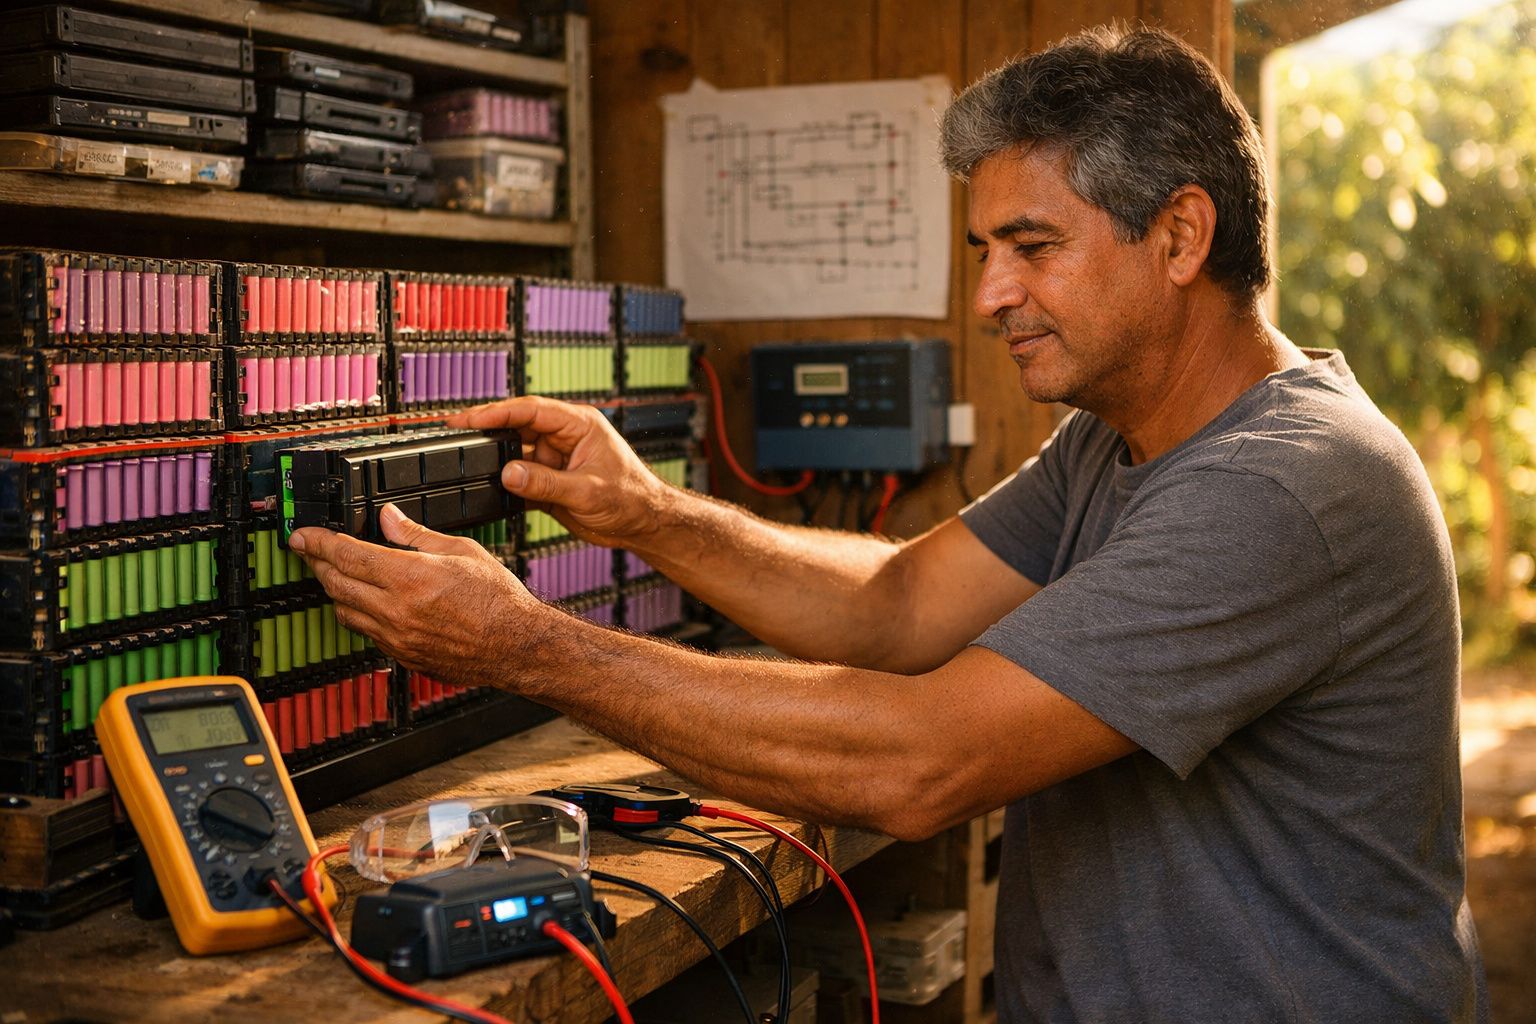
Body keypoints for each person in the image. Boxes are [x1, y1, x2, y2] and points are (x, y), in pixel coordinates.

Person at [289, 25, 1487, 1023]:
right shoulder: (1116, 438)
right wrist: (646, 514)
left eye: (1032, 248)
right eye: (985, 251)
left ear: (1180, 235)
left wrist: (520, 644)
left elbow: (919, 758)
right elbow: (895, 604)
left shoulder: (1282, 483)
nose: (989, 297)